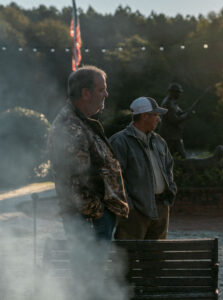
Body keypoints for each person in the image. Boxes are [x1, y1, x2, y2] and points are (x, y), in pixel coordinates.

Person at [48, 65, 129, 299]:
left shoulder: (80, 121)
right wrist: (98, 214)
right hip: (89, 222)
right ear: (85, 93)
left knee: (91, 281)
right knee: (88, 283)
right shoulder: (70, 126)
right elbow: (76, 181)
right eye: (101, 89)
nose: (106, 94)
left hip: (92, 220)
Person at [110, 97, 177, 240]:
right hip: (135, 213)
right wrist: (130, 207)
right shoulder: (120, 141)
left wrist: (170, 192)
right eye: (155, 115)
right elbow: (115, 177)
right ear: (144, 115)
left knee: (156, 258)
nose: (158, 119)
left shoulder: (159, 141)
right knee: (130, 258)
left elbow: (169, 168)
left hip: (161, 207)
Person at [159, 83, 195, 158]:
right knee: (170, 157)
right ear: (173, 92)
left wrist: (188, 110)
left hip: (175, 135)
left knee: (180, 156)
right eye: (178, 92)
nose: (180, 94)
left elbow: (179, 113)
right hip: (169, 136)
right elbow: (174, 120)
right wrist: (187, 116)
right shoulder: (168, 103)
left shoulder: (173, 102)